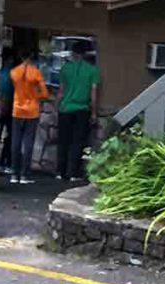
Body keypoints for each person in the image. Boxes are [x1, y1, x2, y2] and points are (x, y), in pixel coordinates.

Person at [56, 41, 100, 182]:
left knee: (63, 141)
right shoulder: (92, 70)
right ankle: (73, 172)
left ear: (73, 54)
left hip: (65, 108)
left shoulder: (65, 68)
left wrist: (58, 106)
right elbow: (93, 93)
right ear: (85, 54)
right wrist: (94, 112)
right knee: (78, 141)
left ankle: (60, 171)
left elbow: (61, 91)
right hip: (82, 109)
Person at [9, 48, 49, 185]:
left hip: (17, 109)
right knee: (28, 143)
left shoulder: (14, 73)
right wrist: (35, 96)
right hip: (32, 111)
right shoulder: (36, 72)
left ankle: (14, 173)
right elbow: (44, 93)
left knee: (15, 142)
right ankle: (25, 174)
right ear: (31, 57)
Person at [0, 48, 15, 175]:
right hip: (8, 108)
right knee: (8, 137)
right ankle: (6, 162)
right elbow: (7, 94)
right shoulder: (9, 74)